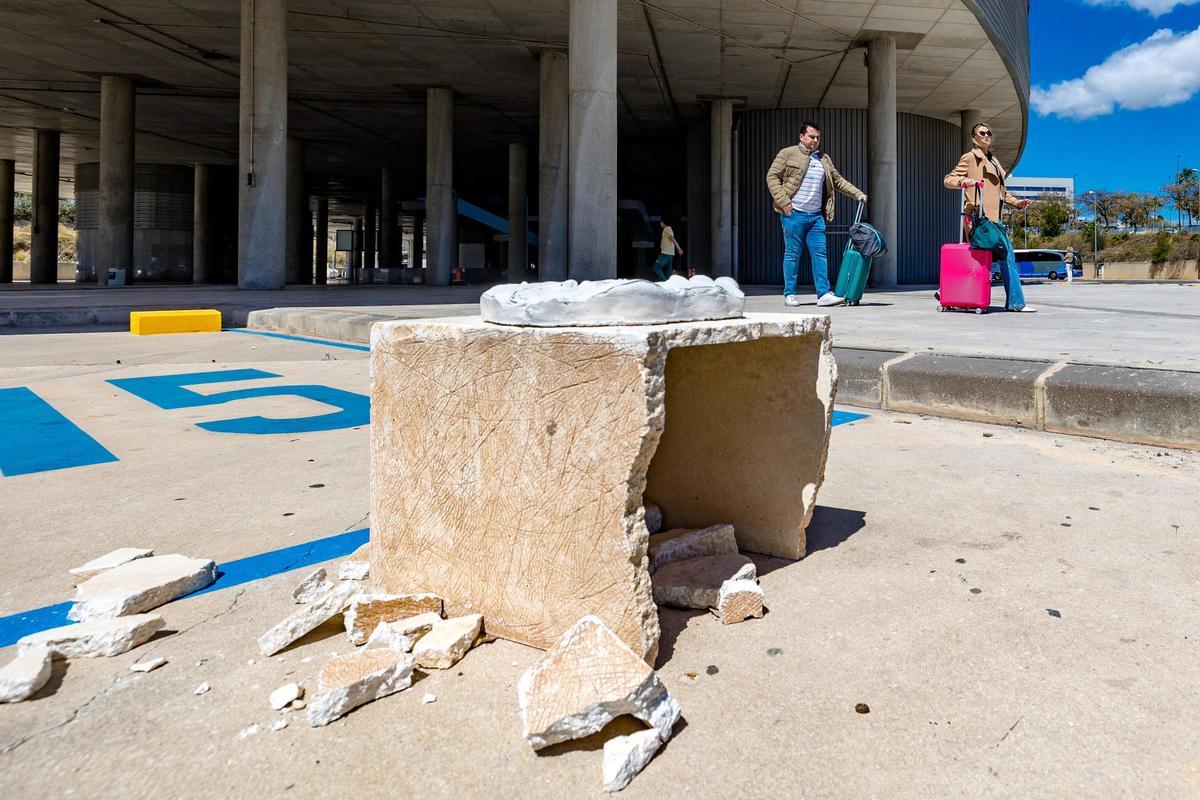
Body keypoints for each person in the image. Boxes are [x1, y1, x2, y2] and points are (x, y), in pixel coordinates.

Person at [765, 121, 866, 307]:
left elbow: (838, 181)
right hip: (793, 214)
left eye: (817, 137)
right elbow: (772, 177)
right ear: (801, 136)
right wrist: (783, 202)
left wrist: (858, 193)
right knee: (792, 254)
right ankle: (789, 294)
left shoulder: (823, 159)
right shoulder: (787, 153)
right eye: (811, 137)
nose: (815, 140)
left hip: (816, 217)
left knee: (820, 254)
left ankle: (823, 294)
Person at [943, 123, 1036, 312]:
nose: (986, 135)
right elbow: (948, 180)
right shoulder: (970, 158)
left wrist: (1017, 203)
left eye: (989, 133)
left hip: (994, 219)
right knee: (1004, 258)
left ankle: (948, 291)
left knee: (982, 259)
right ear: (974, 138)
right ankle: (1016, 303)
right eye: (982, 133)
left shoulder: (993, 160)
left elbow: (1002, 193)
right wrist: (965, 181)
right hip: (979, 217)